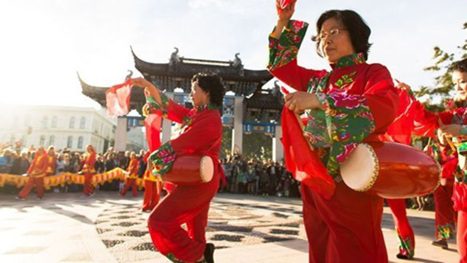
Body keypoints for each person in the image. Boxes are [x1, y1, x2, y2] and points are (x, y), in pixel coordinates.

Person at [268, 2, 399, 262]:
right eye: (321, 36)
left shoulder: (373, 72)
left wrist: (320, 101)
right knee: (320, 246)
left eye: (334, 32)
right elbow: (280, 67)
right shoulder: (318, 79)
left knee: (355, 248)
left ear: (355, 34)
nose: (326, 40)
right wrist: (284, 21)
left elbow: (384, 106)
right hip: (317, 177)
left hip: (352, 178)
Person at [131, 72, 225, 263]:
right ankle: (200, 252)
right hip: (194, 178)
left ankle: (199, 255)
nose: (191, 94)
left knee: (158, 221)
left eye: (194, 90)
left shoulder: (211, 119)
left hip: (200, 182)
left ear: (206, 92)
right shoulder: (196, 114)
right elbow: (172, 108)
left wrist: (158, 155)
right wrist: (149, 86)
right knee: (195, 231)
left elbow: (184, 142)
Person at [438, 58, 467, 263]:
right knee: (463, 242)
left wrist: (463, 131)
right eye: (455, 82)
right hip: (463, 182)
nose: (458, 87)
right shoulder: (460, 114)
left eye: (463, 81)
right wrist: (445, 138)